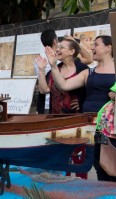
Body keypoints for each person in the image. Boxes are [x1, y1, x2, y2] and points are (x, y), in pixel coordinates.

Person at [45, 35, 116, 182]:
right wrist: (52, 65)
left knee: (113, 164)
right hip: (91, 126)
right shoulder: (88, 73)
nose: (92, 48)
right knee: (99, 164)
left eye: (96, 44)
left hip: (111, 128)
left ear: (108, 47)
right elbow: (63, 85)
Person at [36, 29, 93, 114]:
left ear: (72, 51)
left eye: (61, 47)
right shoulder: (55, 69)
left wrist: (82, 102)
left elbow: (93, 91)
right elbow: (44, 90)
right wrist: (41, 69)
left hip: (76, 119)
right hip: (55, 118)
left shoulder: (82, 68)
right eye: (58, 47)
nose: (58, 50)